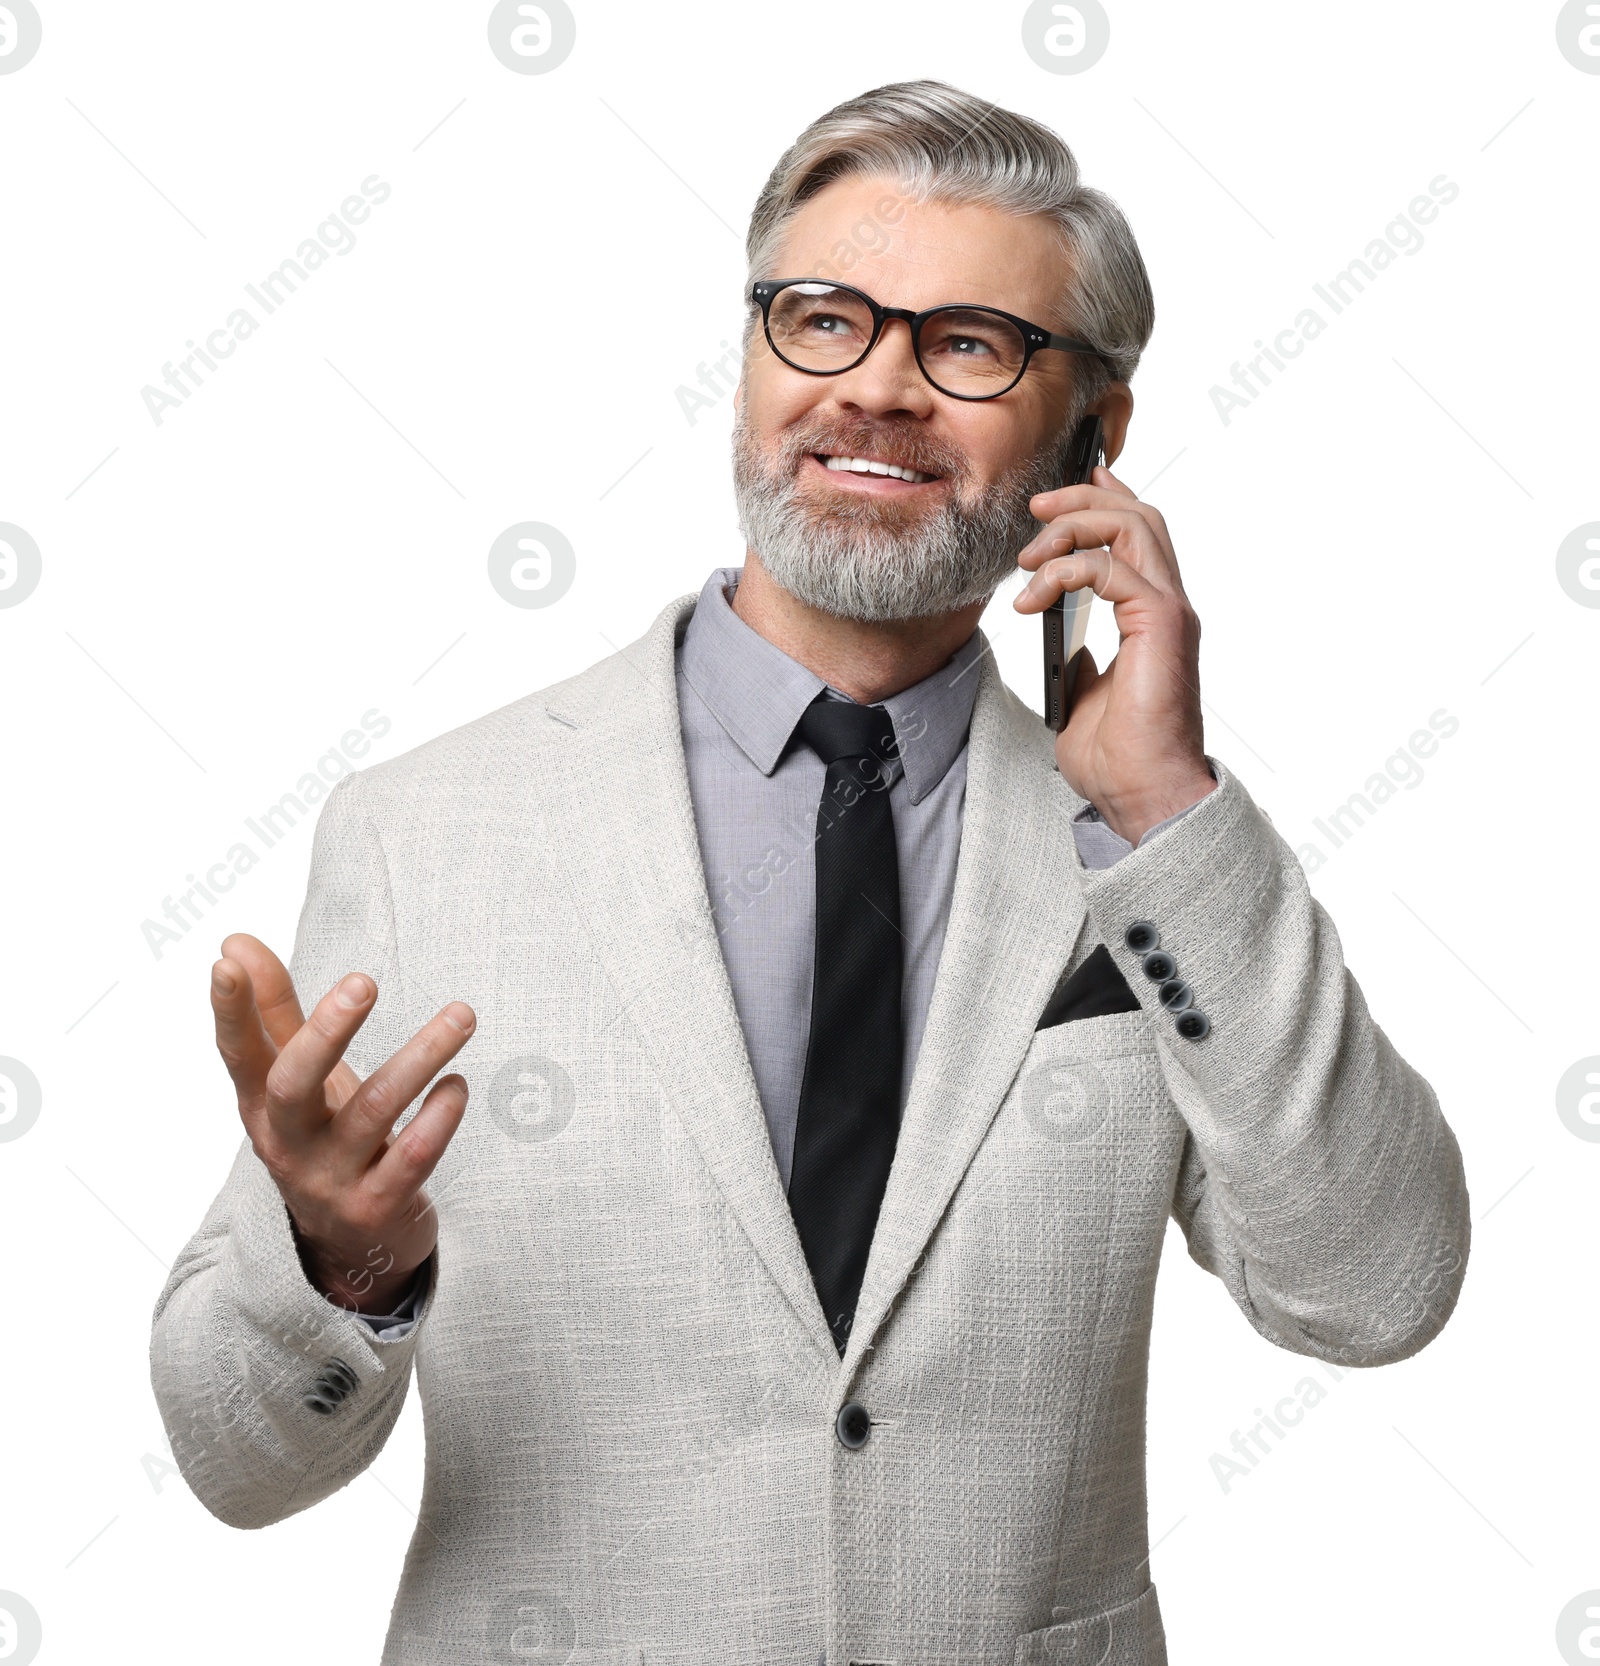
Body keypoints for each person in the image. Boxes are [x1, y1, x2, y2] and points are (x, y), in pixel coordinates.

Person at [150, 80, 1469, 1666]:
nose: (880, 389)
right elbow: (236, 1459)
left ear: (1093, 435)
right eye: (824, 319)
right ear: (755, 362)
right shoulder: (428, 828)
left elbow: (1376, 1291)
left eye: (970, 342)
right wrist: (342, 1256)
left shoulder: (1144, 848)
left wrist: (1171, 811)